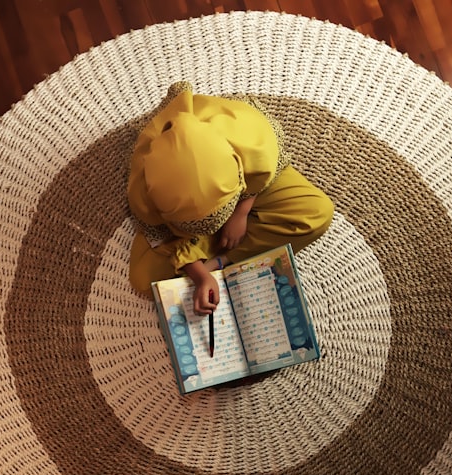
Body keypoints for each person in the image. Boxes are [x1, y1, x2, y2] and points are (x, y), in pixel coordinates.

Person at [127, 82, 333, 314]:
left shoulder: (249, 135)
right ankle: (207, 251)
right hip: (195, 216)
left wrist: (241, 211)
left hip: (246, 189)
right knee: (144, 280)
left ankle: (215, 254)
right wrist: (201, 275)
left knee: (317, 213)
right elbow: (160, 235)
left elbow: (264, 173)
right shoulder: (142, 191)